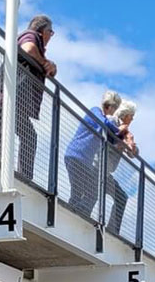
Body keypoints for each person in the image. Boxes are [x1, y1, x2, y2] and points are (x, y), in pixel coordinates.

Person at [64, 90, 121, 217]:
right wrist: (116, 124)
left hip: (81, 160)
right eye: (115, 109)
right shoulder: (96, 111)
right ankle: (76, 215)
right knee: (89, 191)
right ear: (110, 106)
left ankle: (75, 213)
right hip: (76, 156)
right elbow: (105, 123)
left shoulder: (103, 123)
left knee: (82, 192)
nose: (114, 113)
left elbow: (112, 138)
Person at [15, 15, 56, 182]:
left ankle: (24, 176)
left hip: (17, 100)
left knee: (28, 135)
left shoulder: (38, 43)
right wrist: (44, 62)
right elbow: (28, 49)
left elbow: (51, 72)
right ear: (43, 31)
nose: (50, 38)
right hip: (10, 97)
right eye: (51, 33)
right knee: (10, 131)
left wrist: (50, 66)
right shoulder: (32, 35)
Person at [105, 100, 138, 235]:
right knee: (92, 195)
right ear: (126, 114)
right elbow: (103, 138)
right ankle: (80, 215)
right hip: (97, 166)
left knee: (121, 197)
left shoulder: (126, 131)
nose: (133, 119)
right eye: (132, 116)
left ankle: (112, 230)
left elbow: (132, 154)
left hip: (106, 172)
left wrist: (132, 147)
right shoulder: (111, 121)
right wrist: (119, 145)